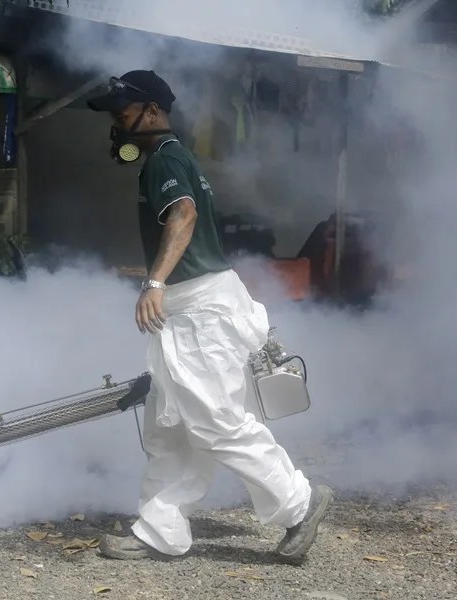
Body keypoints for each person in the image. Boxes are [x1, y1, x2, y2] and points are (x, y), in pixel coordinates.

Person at [87, 70, 332, 565]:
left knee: (217, 421)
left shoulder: (166, 158)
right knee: (170, 427)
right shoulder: (168, 157)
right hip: (189, 310)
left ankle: (300, 503)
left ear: (150, 112)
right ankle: (161, 530)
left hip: (201, 312)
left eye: (122, 113)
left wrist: (155, 282)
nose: (116, 124)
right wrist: (161, 281)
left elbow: (184, 215)